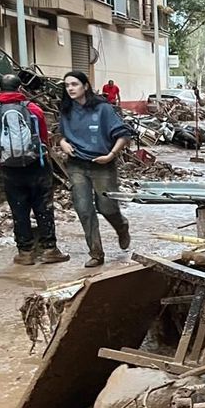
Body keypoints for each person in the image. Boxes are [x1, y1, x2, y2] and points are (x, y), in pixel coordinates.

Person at [0, 74, 69, 266]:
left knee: (18, 209)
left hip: (9, 169)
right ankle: (49, 249)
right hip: (37, 165)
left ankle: (25, 252)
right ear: (20, 89)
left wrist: (4, 153)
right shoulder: (34, 109)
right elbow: (44, 139)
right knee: (43, 206)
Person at [58, 70, 133, 268]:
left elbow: (123, 135)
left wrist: (111, 155)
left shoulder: (103, 109)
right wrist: (62, 142)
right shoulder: (66, 110)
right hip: (76, 165)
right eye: (67, 85)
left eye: (74, 84)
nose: (70, 89)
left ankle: (122, 227)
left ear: (85, 86)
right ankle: (96, 253)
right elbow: (60, 135)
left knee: (106, 207)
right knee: (84, 209)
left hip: (102, 164)